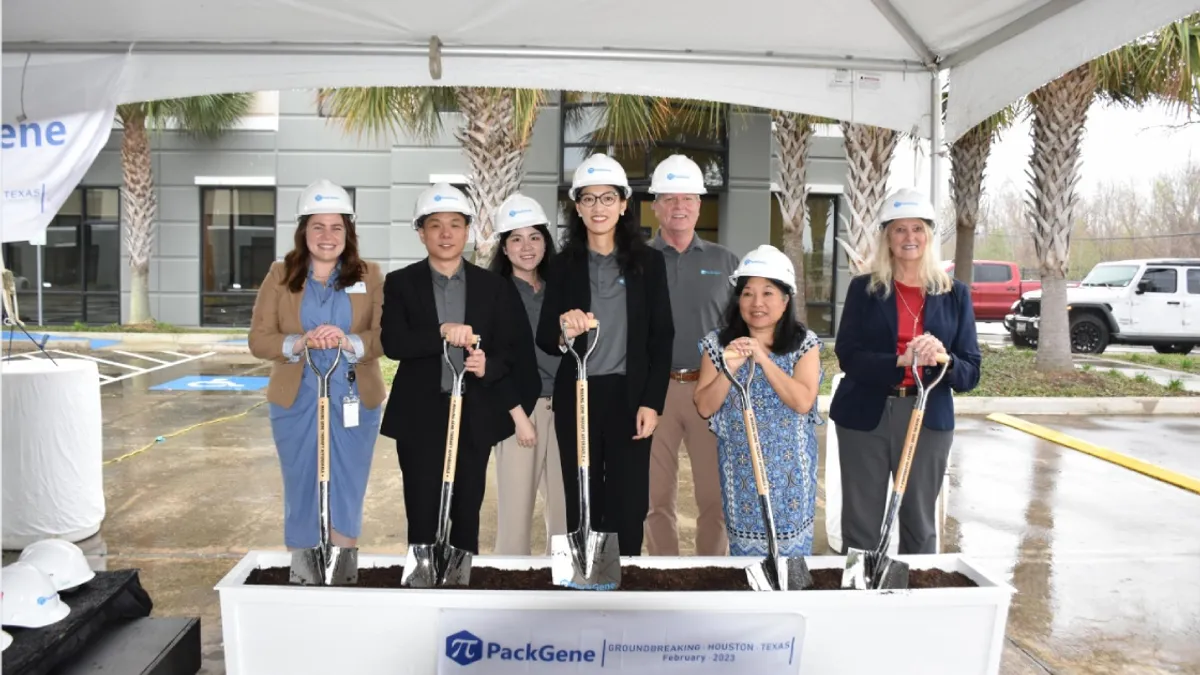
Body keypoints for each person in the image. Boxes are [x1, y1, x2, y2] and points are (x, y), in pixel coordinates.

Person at [536, 153, 674, 557]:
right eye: (590, 199)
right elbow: (547, 337)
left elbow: (661, 337)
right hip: (578, 396)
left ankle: (626, 574)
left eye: (608, 198)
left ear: (624, 204)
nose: (599, 208)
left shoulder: (649, 263)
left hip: (630, 396)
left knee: (629, 499)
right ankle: (587, 575)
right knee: (583, 489)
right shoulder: (562, 266)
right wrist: (565, 329)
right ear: (577, 208)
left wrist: (652, 402)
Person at [830, 187, 981, 555]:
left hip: (927, 417)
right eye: (899, 229)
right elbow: (847, 355)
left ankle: (918, 606)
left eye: (917, 228)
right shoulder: (863, 289)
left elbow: (970, 372)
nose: (909, 237)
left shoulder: (955, 294)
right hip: (866, 416)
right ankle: (858, 601)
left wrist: (941, 357)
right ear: (887, 237)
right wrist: (899, 361)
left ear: (929, 236)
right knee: (860, 526)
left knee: (920, 524)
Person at [379, 182, 520, 555]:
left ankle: (462, 586)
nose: (446, 233)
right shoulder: (400, 283)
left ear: (468, 230)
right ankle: (424, 586)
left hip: (474, 415)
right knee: (422, 512)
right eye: (435, 225)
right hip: (420, 415)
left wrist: (486, 364)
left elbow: (509, 351)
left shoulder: (493, 287)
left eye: (455, 224)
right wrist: (440, 333)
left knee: (467, 510)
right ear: (421, 232)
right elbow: (393, 344)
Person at [249, 178, 385, 552]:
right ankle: (304, 570)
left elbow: (385, 335)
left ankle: (342, 569)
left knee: (347, 485)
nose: (328, 236)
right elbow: (259, 339)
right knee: (302, 483)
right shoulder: (280, 275)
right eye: (318, 226)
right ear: (303, 230)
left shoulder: (369, 274)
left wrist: (349, 341)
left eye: (336, 227)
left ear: (348, 232)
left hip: (354, 398)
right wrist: (299, 342)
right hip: (296, 400)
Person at [693, 245, 824, 556]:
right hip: (741, 472)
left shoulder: (804, 343)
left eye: (768, 293)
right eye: (748, 293)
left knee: (790, 565)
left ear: (785, 299)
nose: (757, 303)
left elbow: (803, 401)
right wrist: (730, 367)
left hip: (791, 475)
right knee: (747, 563)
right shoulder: (718, 343)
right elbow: (704, 406)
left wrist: (764, 359)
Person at [643, 154, 740, 557]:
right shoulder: (638, 261)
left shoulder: (725, 262)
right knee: (654, 497)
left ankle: (711, 575)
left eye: (687, 198)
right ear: (655, 206)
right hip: (654, 392)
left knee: (714, 498)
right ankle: (665, 574)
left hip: (710, 392)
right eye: (669, 198)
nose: (679, 207)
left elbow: (744, 326)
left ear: (700, 205)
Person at [488, 192, 568, 555]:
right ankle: (508, 594)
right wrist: (519, 418)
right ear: (503, 248)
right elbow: (489, 363)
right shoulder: (493, 293)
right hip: (518, 411)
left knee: (567, 515)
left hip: (565, 408)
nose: (526, 247)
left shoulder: (560, 289)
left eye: (534, 237)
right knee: (516, 516)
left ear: (545, 242)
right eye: (515, 239)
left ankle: (562, 592)